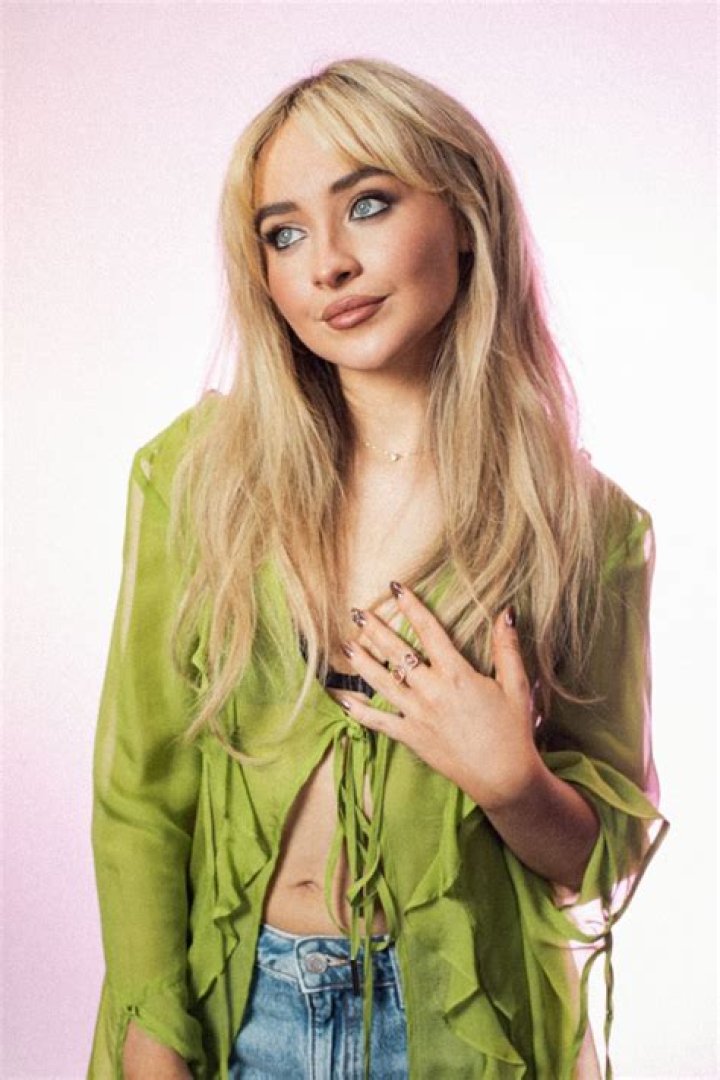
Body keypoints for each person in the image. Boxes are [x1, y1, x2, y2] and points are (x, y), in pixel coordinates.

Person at [88, 57, 668, 1080]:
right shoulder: (195, 479)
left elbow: (600, 855)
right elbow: (140, 792)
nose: (328, 264)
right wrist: (150, 1031)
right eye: (284, 233)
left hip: (465, 1037)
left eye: (368, 204)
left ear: (465, 217)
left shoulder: (583, 527)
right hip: (240, 1019)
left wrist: (513, 782)